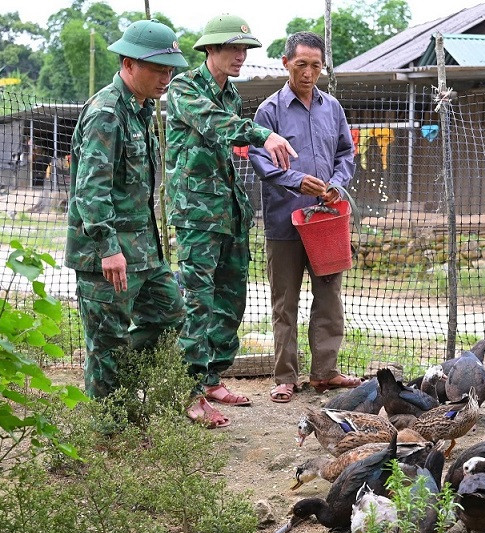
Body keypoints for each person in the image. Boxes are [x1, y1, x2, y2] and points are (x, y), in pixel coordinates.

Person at [166, 14, 297, 426]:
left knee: (230, 299)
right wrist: (263, 134)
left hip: (229, 211)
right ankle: (188, 393)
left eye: (245, 49)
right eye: (234, 49)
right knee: (196, 301)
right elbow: (213, 123)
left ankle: (212, 378)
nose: (241, 56)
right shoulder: (185, 87)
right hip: (195, 213)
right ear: (211, 50)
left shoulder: (231, 93)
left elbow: (228, 132)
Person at [66, 19, 187, 399]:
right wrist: (108, 247)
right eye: (158, 69)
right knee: (107, 343)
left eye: (170, 70)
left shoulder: (141, 108)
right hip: (107, 253)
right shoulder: (108, 111)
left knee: (170, 315)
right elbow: (91, 189)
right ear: (129, 64)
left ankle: (123, 391)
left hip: (143, 251)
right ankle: (106, 428)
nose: (166, 78)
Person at [249, 31, 362, 404]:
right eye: (301, 65)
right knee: (285, 302)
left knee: (329, 296)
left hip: (326, 221)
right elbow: (261, 160)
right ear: (286, 64)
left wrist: (336, 183)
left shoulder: (333, 108)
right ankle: (285, 377)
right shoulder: (269, 111)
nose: (309, 73)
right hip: (284, 223)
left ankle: (325, 373)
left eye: (316, 65)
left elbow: (347, 153)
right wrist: (298, 180)